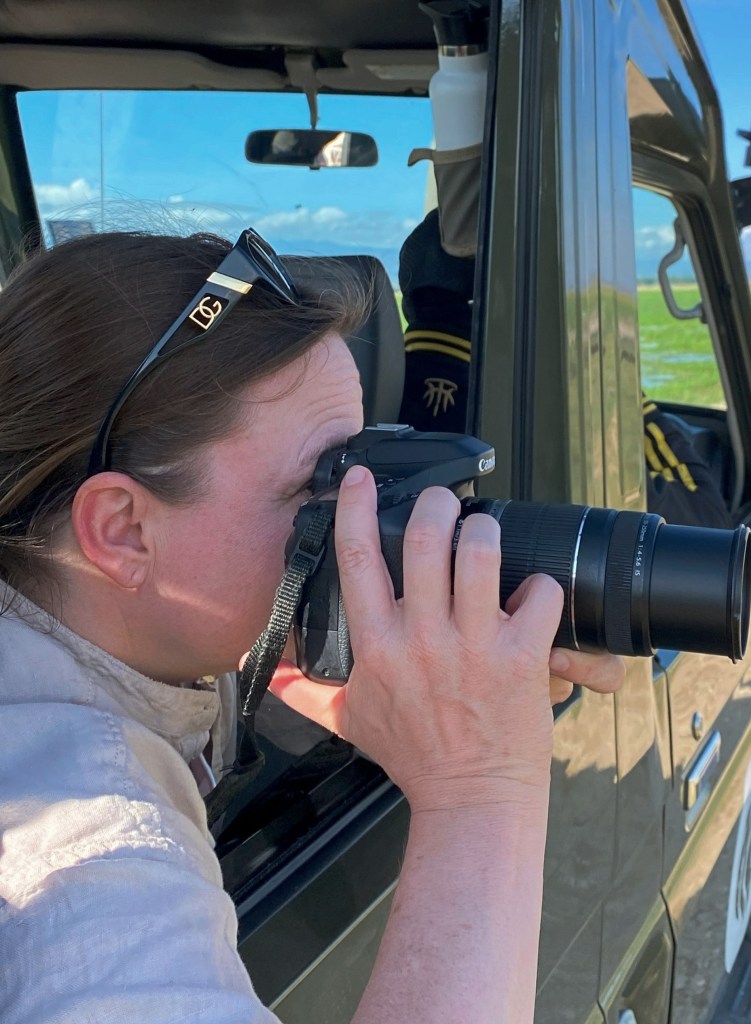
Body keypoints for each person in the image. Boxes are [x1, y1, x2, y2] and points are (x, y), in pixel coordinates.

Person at [0, 229, 624, 1023]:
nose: (363, 516)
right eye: (321, 482)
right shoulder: (87, 850)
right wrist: (480, 786)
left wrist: (324, 669)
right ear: (122, 530)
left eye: (369, 464)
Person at [398, 210, 731, 529]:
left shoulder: (364, 403)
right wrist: (620, 389)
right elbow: (704, 516)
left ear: (410, 299)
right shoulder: (554, 415)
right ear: (522, 302)